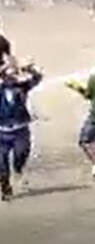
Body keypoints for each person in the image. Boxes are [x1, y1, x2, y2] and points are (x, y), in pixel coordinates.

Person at [0, 63, 40, 201]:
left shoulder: (22, 87)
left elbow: (37, 78)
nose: (11, 78)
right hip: (2, 131)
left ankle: (18, 169)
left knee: (21, 153)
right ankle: (5, 188)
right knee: (1, 162)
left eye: (13, 75)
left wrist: (29, 69)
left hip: (20, 129)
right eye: (8, 75)